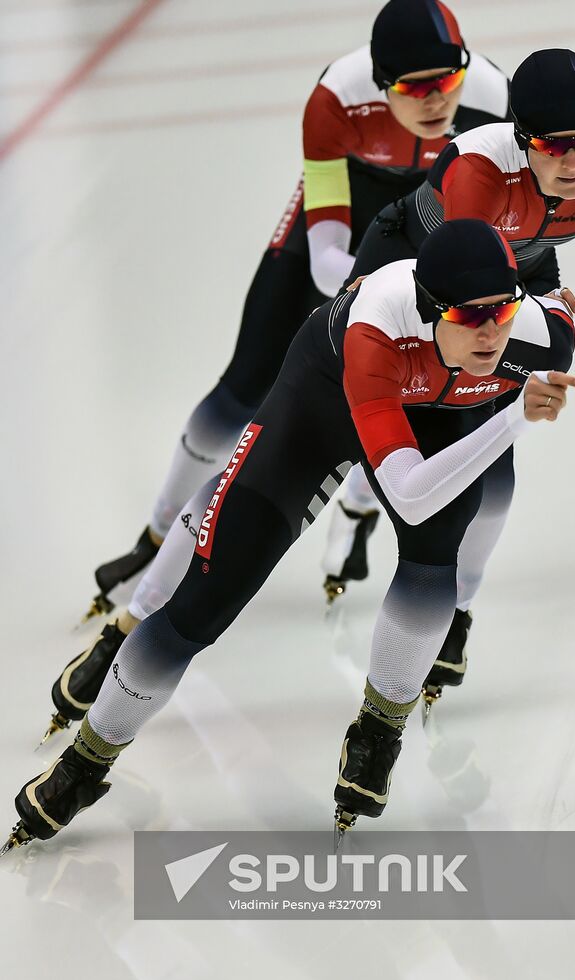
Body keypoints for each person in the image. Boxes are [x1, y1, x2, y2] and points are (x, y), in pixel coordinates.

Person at [42, 46, 575, 741]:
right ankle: (136, 618)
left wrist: (541, 292)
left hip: (488, 294)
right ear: (522, 141)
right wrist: (529, 299)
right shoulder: (478, 174)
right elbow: (474, 269)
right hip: (420, 284)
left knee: (494, 477)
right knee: (281, 451)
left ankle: (453, 608)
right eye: (554, 144)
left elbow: (528, 250)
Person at [4, 218, 575, 852]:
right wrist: (513, 423)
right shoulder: (376, 329)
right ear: (430, 309)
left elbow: (425, 503)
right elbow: (411, 495)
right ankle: (84, 765)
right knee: (205, 600)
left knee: (434, 560)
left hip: (439, 413)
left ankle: (379, 727)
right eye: (471, 319)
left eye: (502, 309)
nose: (493, 330)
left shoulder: (541, 338)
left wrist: (507, 405)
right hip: (321, 404)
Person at [86, 0, 510, 618]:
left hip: (434, 220)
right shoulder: (336, 98)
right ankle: (154, 538)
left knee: (425, 381)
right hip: (350, 213)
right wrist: (381, 295)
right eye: (413, 88)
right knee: (242, 389)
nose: (435, 102)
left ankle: (364, 502)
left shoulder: (495, 102)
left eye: (447, 82)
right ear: (379, 82)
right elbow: (325, 255)